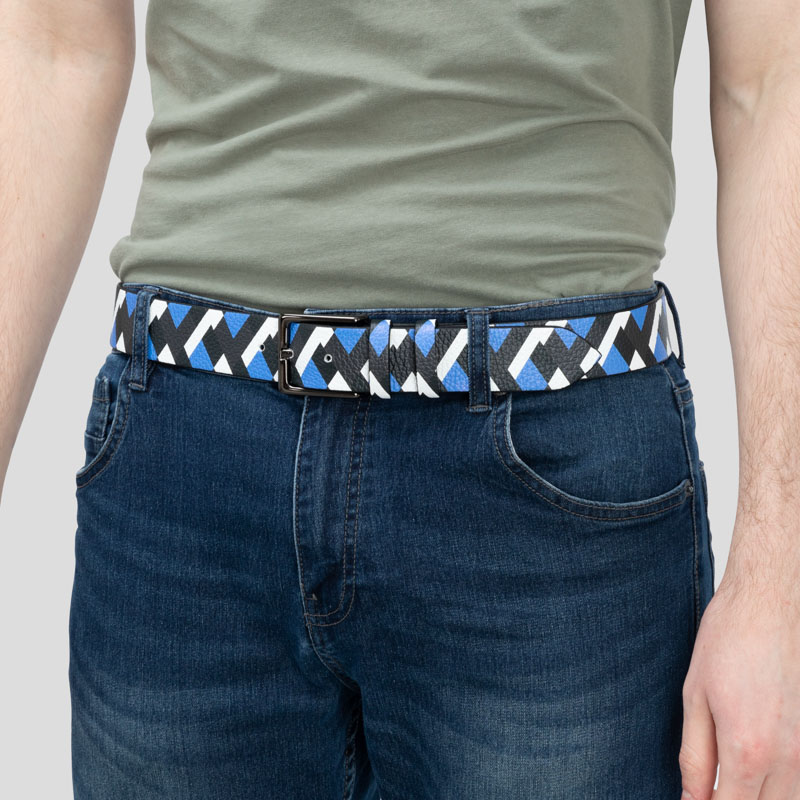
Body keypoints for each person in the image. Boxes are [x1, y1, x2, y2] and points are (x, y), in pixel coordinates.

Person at [1, 1, 798, 798]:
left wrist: (779, 580)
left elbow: (773, 76)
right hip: (184, 456)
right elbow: (52, 50)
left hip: (550, 462)